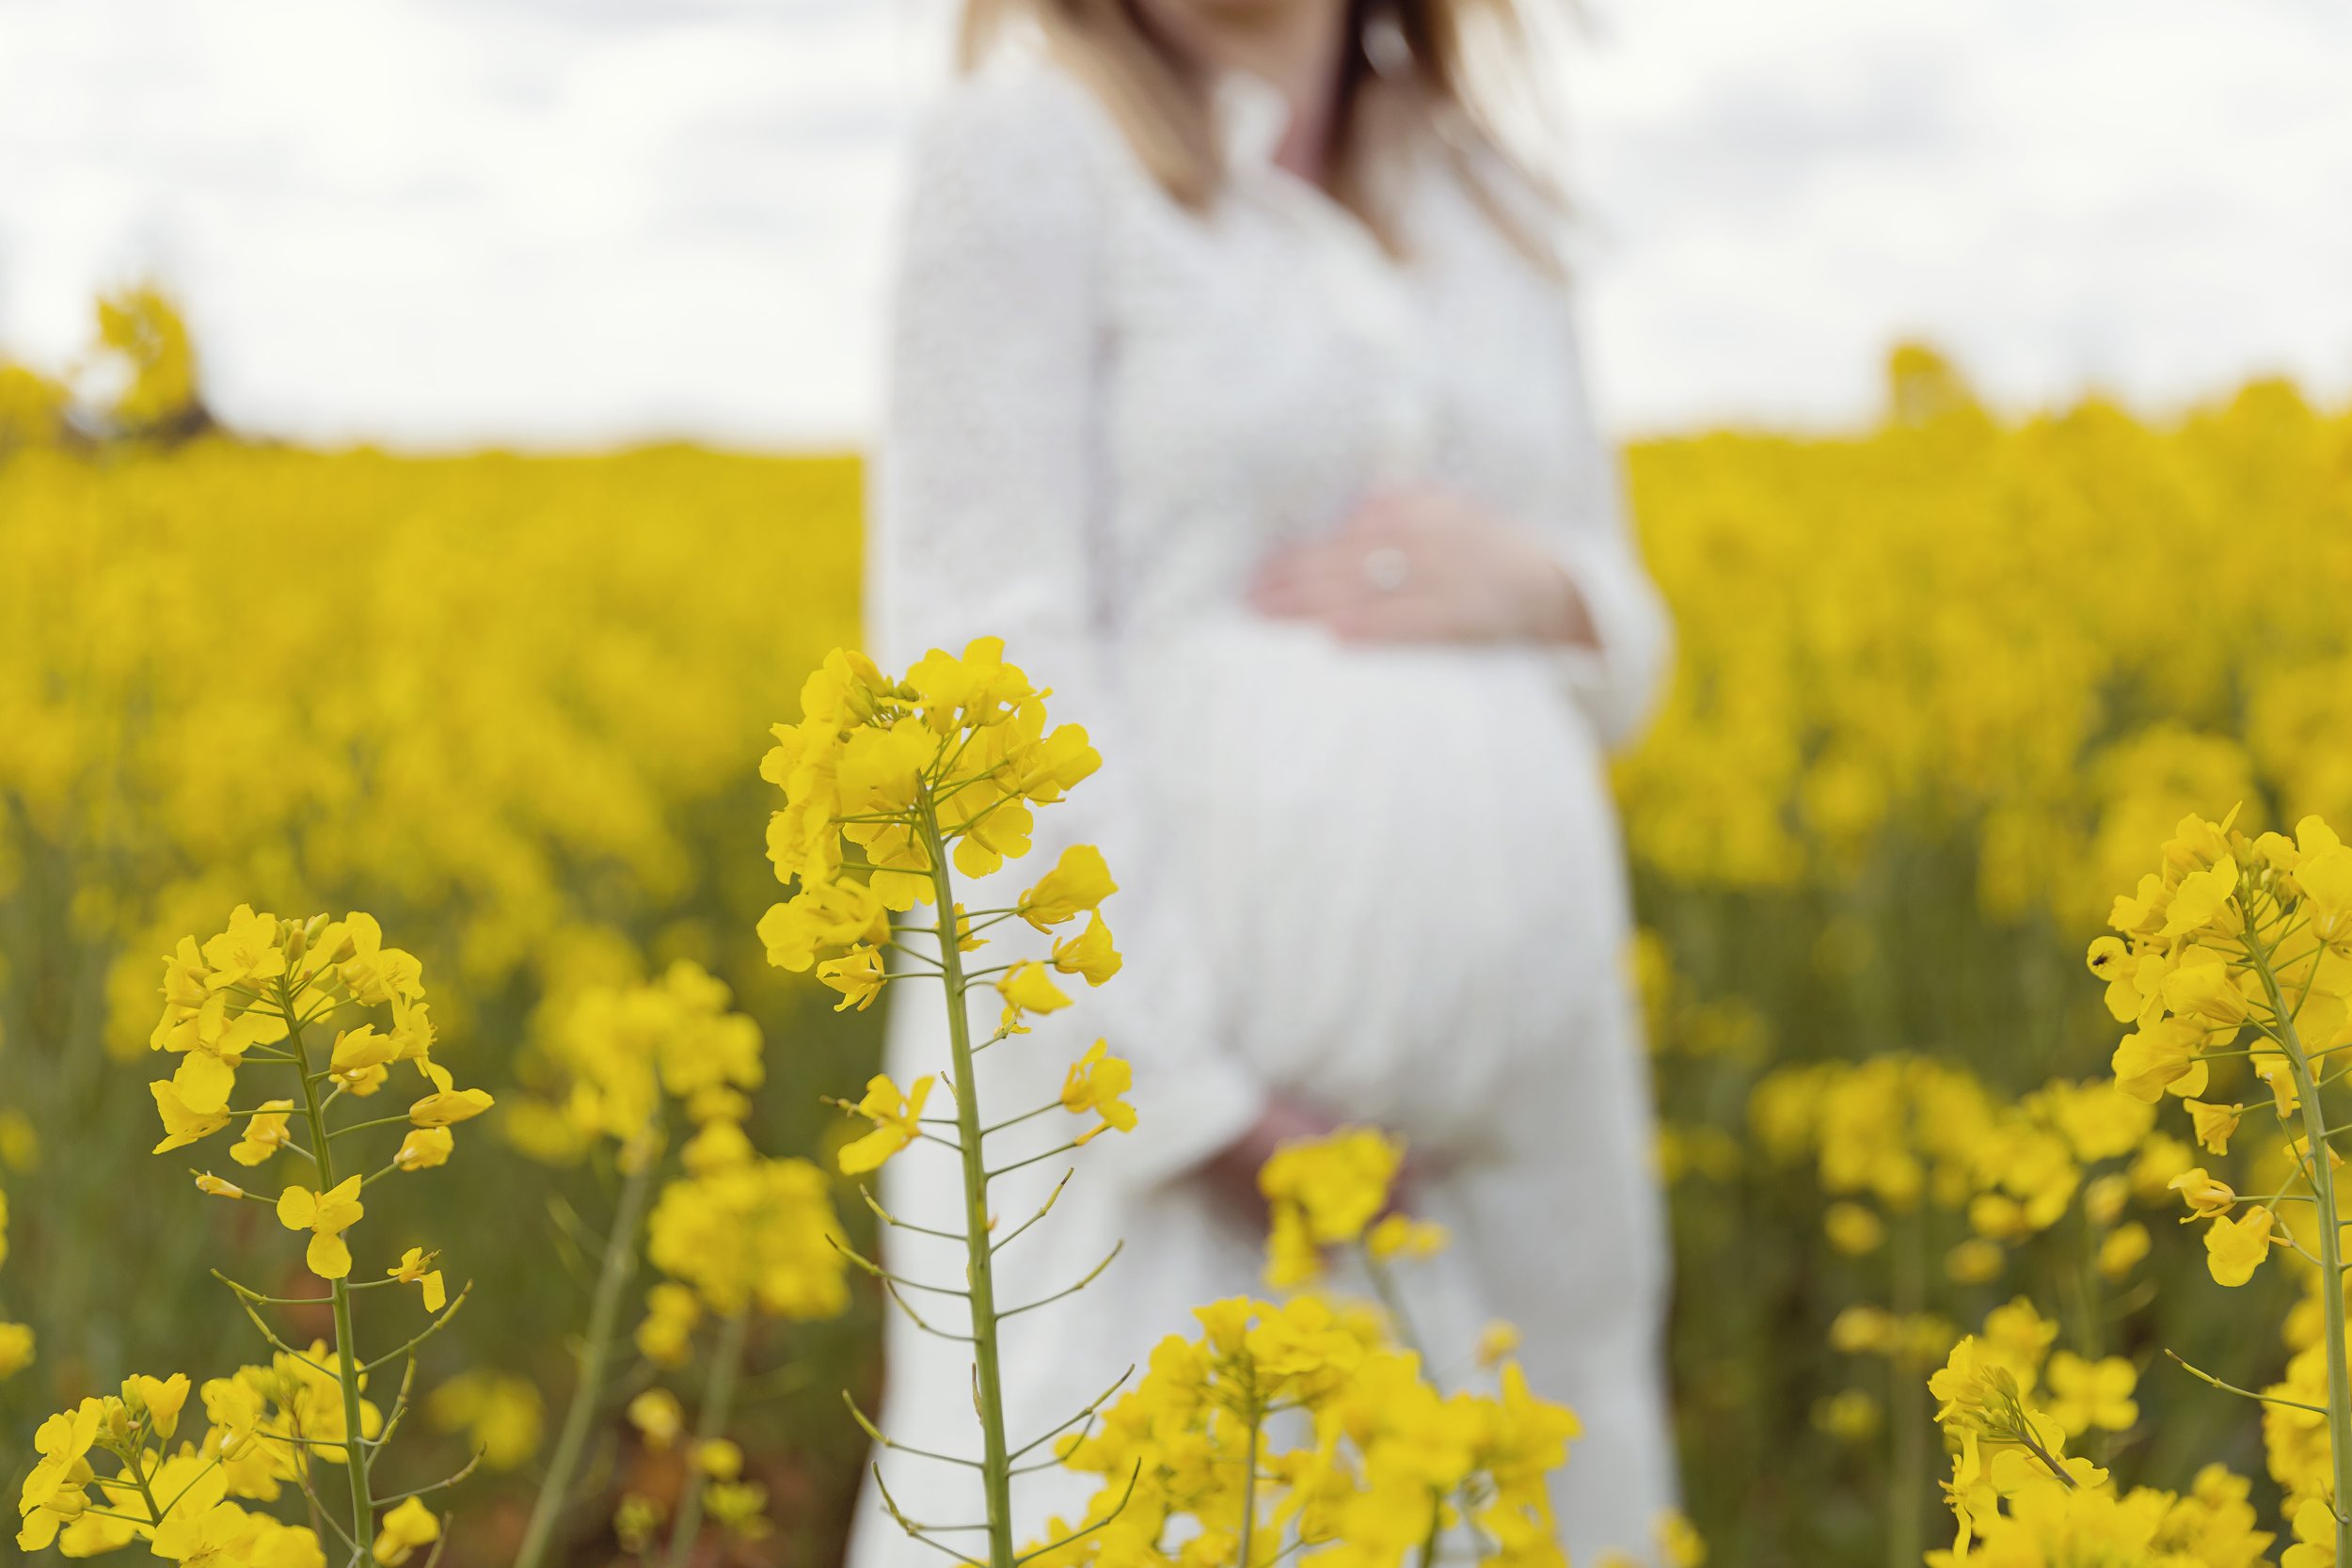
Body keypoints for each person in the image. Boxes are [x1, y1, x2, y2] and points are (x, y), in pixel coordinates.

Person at [855, 0, 1678, 1561]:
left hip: (1506, 1174)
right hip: (1169, 1165)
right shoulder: (1028, 151)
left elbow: (1617, 628)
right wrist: (1207, 1108)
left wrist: (1544, 591)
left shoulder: (1480, 199)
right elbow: (976, 658)